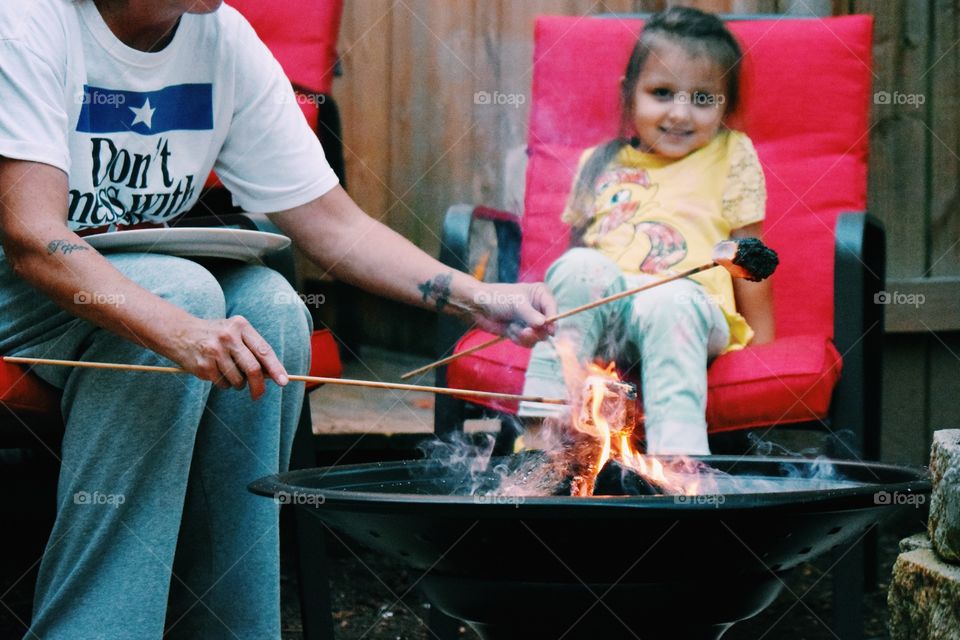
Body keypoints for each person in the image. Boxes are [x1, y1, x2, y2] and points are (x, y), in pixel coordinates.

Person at [0, 1, 555, 638]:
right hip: (21, 284)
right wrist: (176, 327)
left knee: (272, 307)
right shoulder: (28, 22)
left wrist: (480, 298)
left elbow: (333, 226)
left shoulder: (222, 38)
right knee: (182, 291)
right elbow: (32, 237)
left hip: (134, 282)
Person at [518, 7, 775, 456]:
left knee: (666, 297)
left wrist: (766, 348)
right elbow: (576, 269)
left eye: (702, 98)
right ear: (629, 95)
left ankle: (679, 462)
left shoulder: (732, 153)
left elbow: (749, 256)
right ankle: (544, 425)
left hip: (689, 310)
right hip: (610, 316)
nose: (680, 113)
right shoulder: (598, 163)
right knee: (578, 264)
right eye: (662, 92)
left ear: (725, 107)